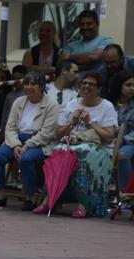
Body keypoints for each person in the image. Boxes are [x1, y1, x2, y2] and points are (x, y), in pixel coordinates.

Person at [45, 71, 119, 217]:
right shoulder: (72, 104)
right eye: (84, 83)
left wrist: (90, 123)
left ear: (98, 88)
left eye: (91, 84)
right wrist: (72, 123)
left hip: (100, 150)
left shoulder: (107, 106)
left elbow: (109, 138)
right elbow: (58, 134)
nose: (86, 86)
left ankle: (83, 204)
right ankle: (50, 199)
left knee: (81, 153)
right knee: (58, 151)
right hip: (73, 144)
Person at [0, 72, 60, 211]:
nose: (28, 87)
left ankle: (31, 197)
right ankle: (0, 195)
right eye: (26, 84)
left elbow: (47, 133)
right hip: (17, 140)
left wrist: (26, 146)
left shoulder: (51, 104)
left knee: (26, 159)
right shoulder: (19, 102)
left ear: (42, 86)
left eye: (33, 84)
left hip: (39, 142)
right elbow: (10, 127)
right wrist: (16, 144)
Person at [115, 71, 134, 190]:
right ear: (119, 85)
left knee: (122, 155)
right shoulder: (109, 104)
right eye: (128, 85)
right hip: (109, 142)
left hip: (130, 142)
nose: (132, 88)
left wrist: (122, 140)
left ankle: (126, 196)